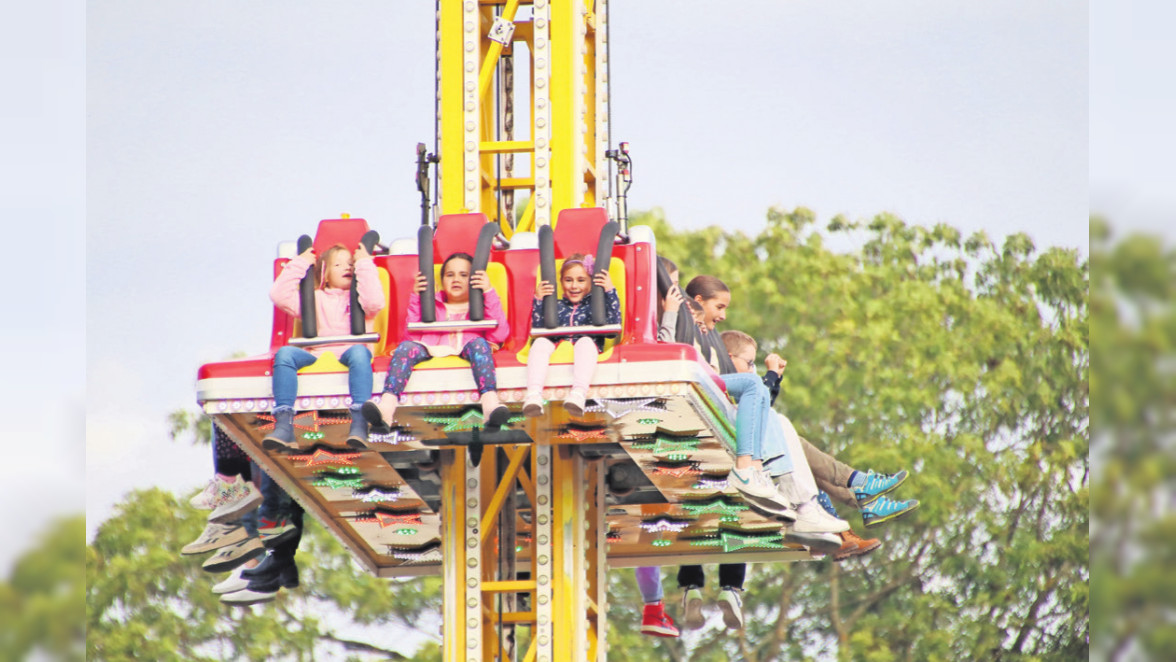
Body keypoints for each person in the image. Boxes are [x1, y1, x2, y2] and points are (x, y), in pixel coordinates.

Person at [362, 252, 511, 431]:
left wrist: (488, 291)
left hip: (467, 344)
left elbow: (500, 334)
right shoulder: (432, 303)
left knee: (480, 345)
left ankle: (490, 405)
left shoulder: (480, 304)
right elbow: (411, 335)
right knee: (405, 347)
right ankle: (386, 407)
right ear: (441, 280)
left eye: (464, 275)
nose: (456, 279)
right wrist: (417, 297)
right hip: (431, 345)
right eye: (450, 275)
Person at [264, 241, 384, 449]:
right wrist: (301, 262)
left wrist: (364, 263)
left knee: (358, 352)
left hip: (350, 352)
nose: (346, 268)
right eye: (338, 265)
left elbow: (375, 302)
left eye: (350, 264)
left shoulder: (361, 299)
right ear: (325, 273)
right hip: (318, 353)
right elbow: (279, 295)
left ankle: (359, 421)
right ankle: (284, 423)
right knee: (285, 354)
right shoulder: (314, 299)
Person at [523, 253, 621, 417]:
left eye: (581, 280)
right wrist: (539, 300)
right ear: (561, 282)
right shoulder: (557, 306)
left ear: (591, 282)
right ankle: (533, 394)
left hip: (585, 346)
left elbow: (613, 324)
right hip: (557, 344)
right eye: (568, 280)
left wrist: (609, 290)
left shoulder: (595, 306)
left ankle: (578, 393)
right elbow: (538, 327)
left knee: (585, 342)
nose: (574, 286)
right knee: (540, 343)